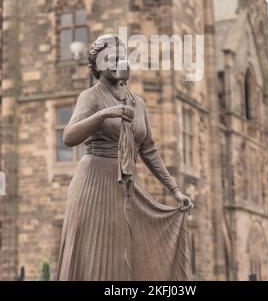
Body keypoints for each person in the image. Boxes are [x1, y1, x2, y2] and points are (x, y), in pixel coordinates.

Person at [57, 34, 193, 281]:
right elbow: (69, 137)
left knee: (124, 253)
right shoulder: (91, 96)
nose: (118, 62)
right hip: (94, 182)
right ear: (97, 66)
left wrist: (175, 190)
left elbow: (149, 150)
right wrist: (103, 115)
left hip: (125, 185)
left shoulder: (137, 103)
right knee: (96, 254)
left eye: (121, 57)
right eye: (110, 58)